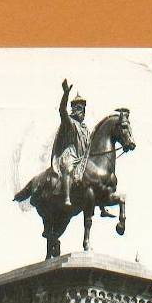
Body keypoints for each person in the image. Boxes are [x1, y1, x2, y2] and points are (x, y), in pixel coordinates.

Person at [52, 79, 114, 217]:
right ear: (74, 109)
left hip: (83, 158)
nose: (82, 112)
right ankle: (67, 198)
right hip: (71, 155)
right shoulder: (70, 123)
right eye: (80, 108)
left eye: (83, 109)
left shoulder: (85, 129)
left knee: (96, 176)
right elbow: (62, 110)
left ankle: (102, 208)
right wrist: (66, 94)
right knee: (68, 167)